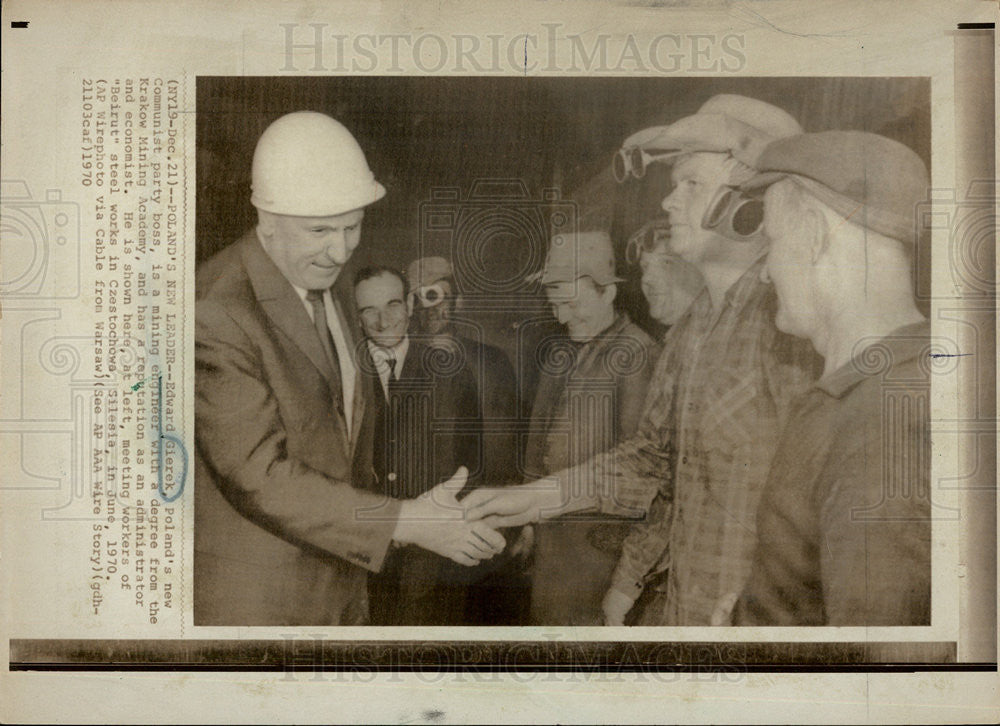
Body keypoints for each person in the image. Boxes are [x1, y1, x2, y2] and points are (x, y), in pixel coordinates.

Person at [463, 95, 821, 627]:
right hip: (684, 610)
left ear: (751, 203)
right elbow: (655, 460)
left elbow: (823, 500)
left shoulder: (789, 324)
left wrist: (774, 603)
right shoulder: (693, 328)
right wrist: (538, 498)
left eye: (691, 184)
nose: (670, 203)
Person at [194, 111, 503, 626]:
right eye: (319, 230)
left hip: (337, 587)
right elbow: (259, 475)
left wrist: (407, 505)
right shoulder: (215, 309)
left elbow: (337, 433)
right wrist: (404, 521)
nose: (340, 250)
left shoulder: (323, 281)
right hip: (261, 603)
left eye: (352, 226)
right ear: (266, 219)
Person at [731, 131, 932, 625]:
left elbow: (873, 675)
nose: (764, 273)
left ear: (813, 232)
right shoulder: (883, 387)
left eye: (773, 242)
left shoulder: (880, 424)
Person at [522, 231, 661, 625]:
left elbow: (644, 472)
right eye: (555, 306)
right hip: (554, 541)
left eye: (572, 304)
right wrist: (531, 522)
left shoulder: (635, 354)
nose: (563, 317)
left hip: (600, 554)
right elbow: (537, 442)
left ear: (608, 293)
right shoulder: (562, 351)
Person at [354, 266, 483, 625]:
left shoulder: (448, 368)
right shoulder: (346, 374)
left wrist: (441, 527)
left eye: (393, 305)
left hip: (433, 561)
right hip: (362, 559)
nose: (383, 321)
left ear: (410, 305)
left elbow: (472, 461)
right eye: (369, 310)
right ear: (357, 317)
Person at [406, 255, 529, 625]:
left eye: (437, 296)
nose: (428, 309)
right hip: (420, 541)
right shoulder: (396, 365)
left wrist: (522, 518)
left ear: (458, 302)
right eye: (417, 299)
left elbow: (510, 445)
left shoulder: (492, 363)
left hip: (488, 532)